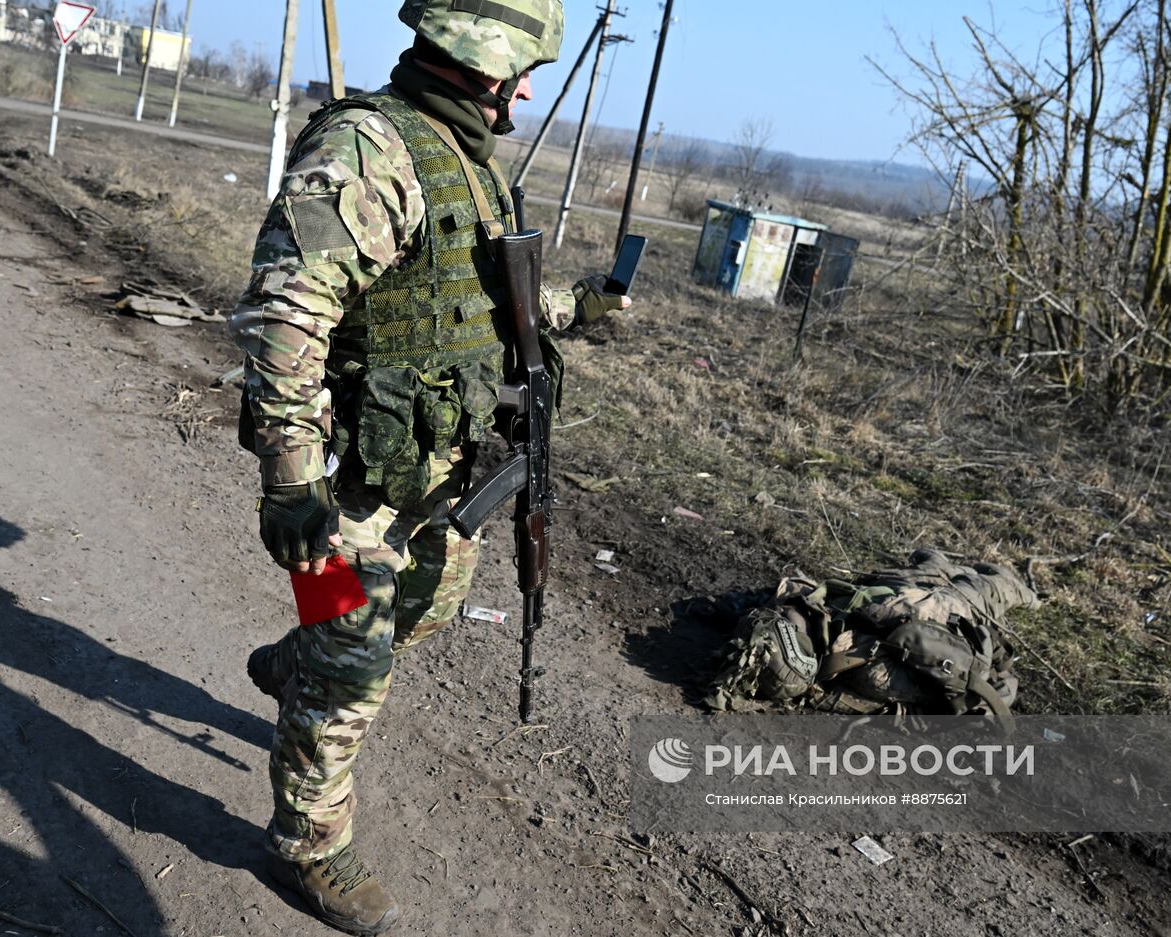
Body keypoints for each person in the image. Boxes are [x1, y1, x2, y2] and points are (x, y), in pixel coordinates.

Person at [228, 2, 625, 933]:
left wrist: (573, 308)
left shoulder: (468, 167)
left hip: (436, 469)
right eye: (521, 68)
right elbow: (286, 315)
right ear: (480, 65)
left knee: (426, 610)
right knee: (354, 664)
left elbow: (479, 303)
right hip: (341, 482)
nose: (528, 88)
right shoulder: (369, 150)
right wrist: (290, 475)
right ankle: (311, 843)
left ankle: (299, 663)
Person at [705, 548, 1040, 724]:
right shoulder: (852, 663)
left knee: (962, 583)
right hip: (920, 603)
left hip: (918, 604)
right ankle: (958, 570)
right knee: (979, 586)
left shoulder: (853, 668)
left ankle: (949, 567)